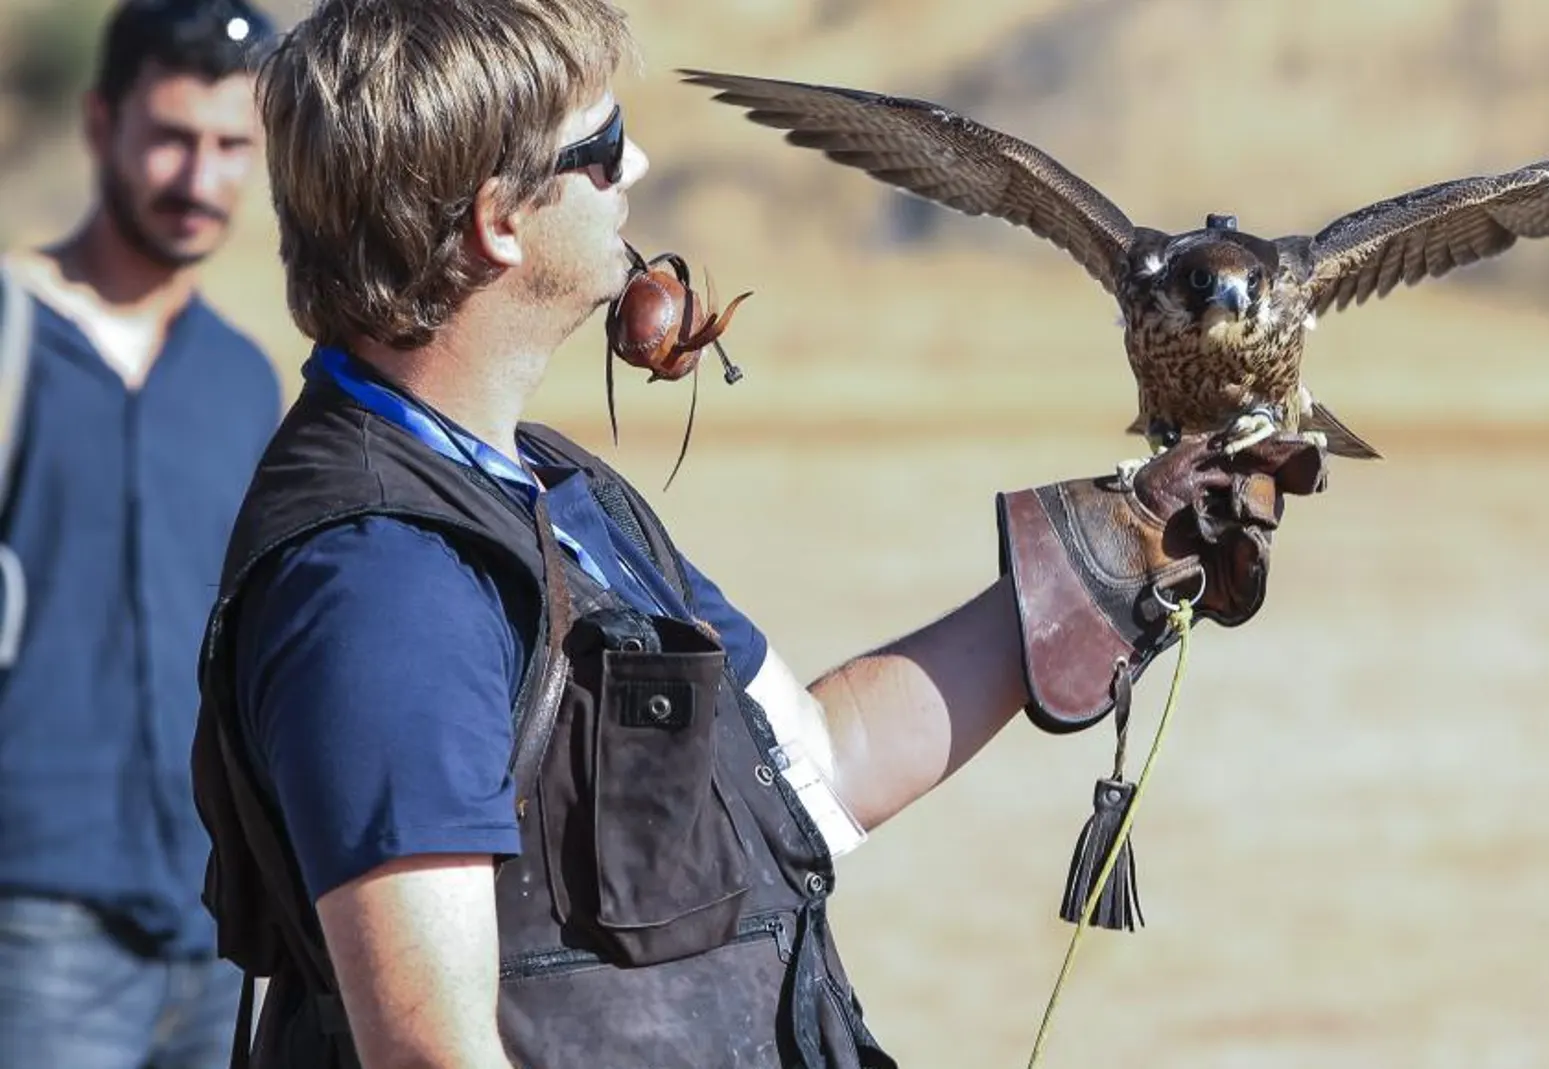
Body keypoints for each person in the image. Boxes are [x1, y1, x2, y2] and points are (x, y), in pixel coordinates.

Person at [188, 1, 1327, 1066]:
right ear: (497, 221)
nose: (634, 170)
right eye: (602, 147)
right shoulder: (385, 582)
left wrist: (1113, 551)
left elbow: (808, 770)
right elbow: (431, 1048)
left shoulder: (558, 496)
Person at [0, 1, 284, 1067]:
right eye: (171, 137)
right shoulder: (13, 327)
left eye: (231, 147)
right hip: (32, 919)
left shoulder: (243, 376)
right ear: (99, 122)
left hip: (215, 925)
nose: (199, 179)